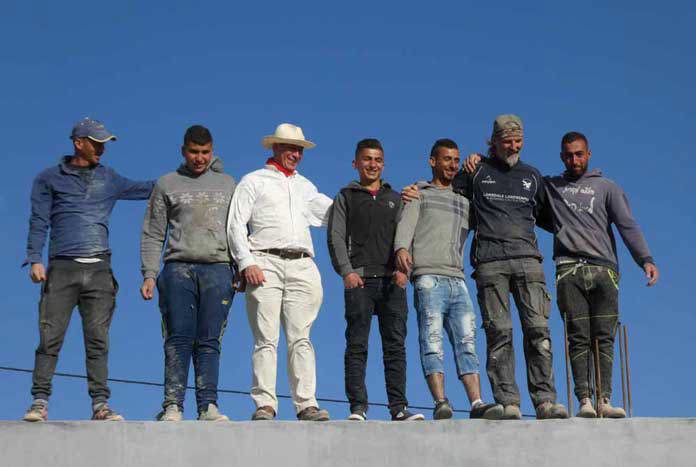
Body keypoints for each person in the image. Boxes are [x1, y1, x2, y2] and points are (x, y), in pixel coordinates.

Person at [405, 116, 568, 420]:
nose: (513, 146)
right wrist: (415, 189)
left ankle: (545, 400)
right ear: (492, 141)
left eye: (518, 140)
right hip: (490, 263)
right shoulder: (475, 171)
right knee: (499, 333)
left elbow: (554, 221)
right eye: (507, 140)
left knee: (538, 330)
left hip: (528, 261)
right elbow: (442, 187)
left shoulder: (532, 176)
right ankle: (508, 402)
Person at [23, 118, 154, 422]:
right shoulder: (48, 179)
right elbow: (38, 220)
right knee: (49, 337)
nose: (101, 150)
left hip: (99, 270)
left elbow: (147, 188)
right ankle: (39, 402)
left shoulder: (109, 178)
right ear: (78, 142)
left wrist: (185, 178)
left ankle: (100, 405)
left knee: (98, 340)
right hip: (61, 269)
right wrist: (35, 258)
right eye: (96, 144)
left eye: (104, 144)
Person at [546, 131, 659, 418]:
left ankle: (604, 399)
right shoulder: (551, 187)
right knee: (578, 336)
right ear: (562, 157)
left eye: (579, 154)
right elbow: (520, 192)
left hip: (603, 270)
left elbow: (627, 225)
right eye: (569, 155)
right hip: (569, 269)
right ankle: (584, 398)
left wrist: (644, 259)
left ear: (589, 154)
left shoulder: (607, 187)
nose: (574, 160)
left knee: (605, 335)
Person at [227, 123, 333, 421]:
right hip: (265, 262)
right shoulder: (253, 181)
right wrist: (246, 262)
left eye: (299, 149)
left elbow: (337, 214)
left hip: (302, 263)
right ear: (275, 148)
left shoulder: (305, 186)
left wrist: (372, 199)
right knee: (266, 338)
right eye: (289, 147)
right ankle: (265, 404)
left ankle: (306, 403)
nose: (295, 154)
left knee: (302, 337)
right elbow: (236, 224)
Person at [394, 139, 503, 420]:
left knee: (467, 341)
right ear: (433, 161)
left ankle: (477, 402)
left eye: (456, 160)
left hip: (457, 279)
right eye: (447, 159)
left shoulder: (463, 201)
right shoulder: (419, 193)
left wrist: (481, 160)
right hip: (428, 277)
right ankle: (441, 401)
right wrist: (402, 249)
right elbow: (405, 226)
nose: (452, 165)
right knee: (431, 341)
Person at [140, 125, 237, 422]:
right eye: (194, 152)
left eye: (205, 152)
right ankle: (173, 405)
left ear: (212, 150)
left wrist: (240, 267)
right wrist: (149, 273)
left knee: (209, 340)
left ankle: (208, 405)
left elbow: (238, 230)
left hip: (218, 268)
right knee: (178, 338)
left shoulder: (228, 184)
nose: (199, 158)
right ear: (184, 151)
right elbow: (153, 232)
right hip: (177, 268)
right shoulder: (167, 183)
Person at [327, 138, 424, 422]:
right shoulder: (345, 196)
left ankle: (399, 408)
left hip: (392, 282)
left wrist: (404, 271)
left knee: (395, 346)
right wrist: (347, 271)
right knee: (357, 345)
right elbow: (334, 236)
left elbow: (408, 236)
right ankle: (358, 407)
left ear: (384, 164)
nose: (373, 165)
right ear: (356, 163)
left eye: (378, 160)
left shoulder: (396, 198)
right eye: (367, 159)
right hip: (359, 282)